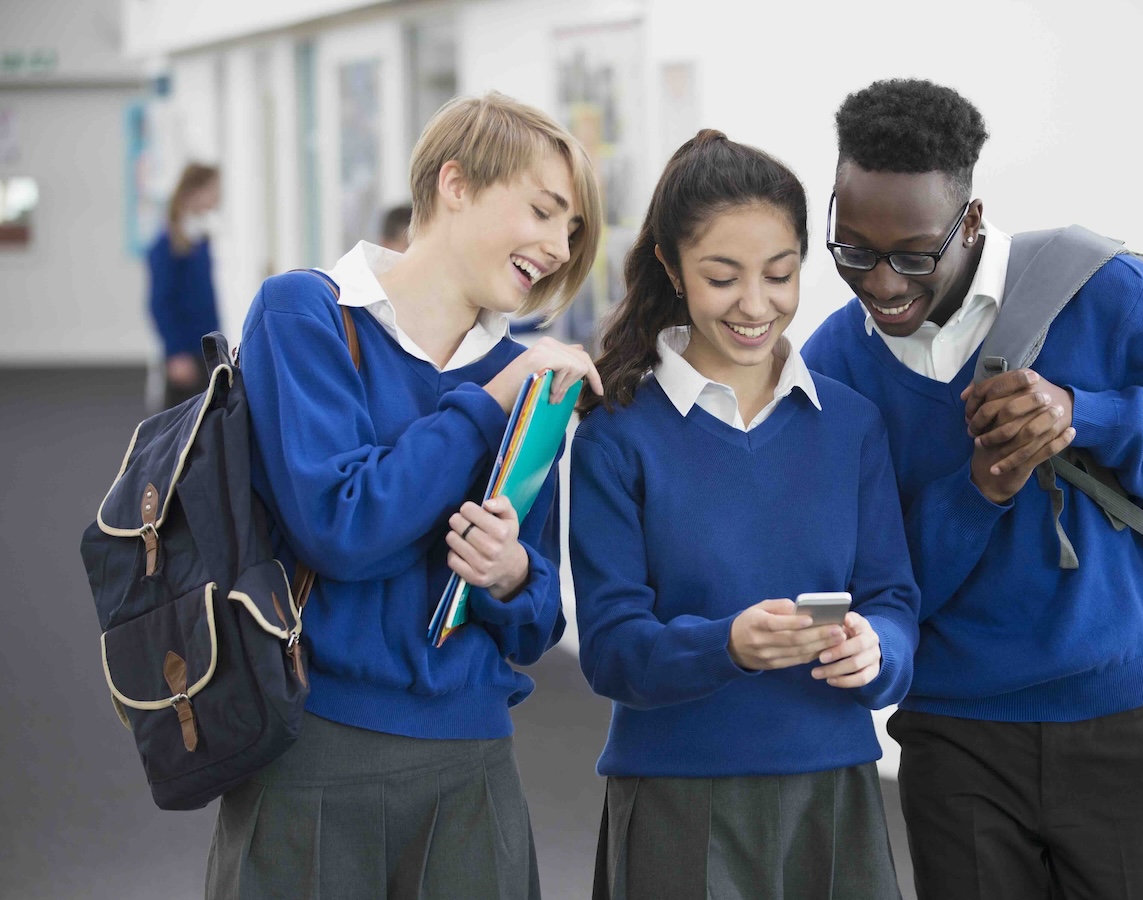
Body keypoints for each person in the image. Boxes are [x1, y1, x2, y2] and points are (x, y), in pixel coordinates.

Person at [802, 79, 1143, 900]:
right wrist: (978, 492)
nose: (882, 284)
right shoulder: (835, 367)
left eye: (914, 254)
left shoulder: (1103, 291)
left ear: (973, 221)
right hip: (954, 735)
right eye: (852, 250)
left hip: (1121, 720)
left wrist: (1086, 416)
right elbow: (867, 586)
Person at [205, 91, 603, 900]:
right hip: (315, 755)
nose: (559, 248)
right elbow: (341, 527)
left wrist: (509, 577)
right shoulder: (305, 313)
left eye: (572, 231)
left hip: (473, 766)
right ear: (454, 184)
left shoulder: (525, 373)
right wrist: (488, 401)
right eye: (543, 211)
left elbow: (538, 624)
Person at [570, 129, 919, 900]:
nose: (756, 306)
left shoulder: (850, 425)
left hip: (833, 790)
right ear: (671, 265)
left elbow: (893, 599)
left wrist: (878, 654)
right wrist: (726, 644)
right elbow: (609, 649)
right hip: (677, 798)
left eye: (781, 274)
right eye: (723, 278)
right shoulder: (617, 434)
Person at [147, 162, 221, 409]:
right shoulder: (167, 244)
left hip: (204, 349)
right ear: (195, 191)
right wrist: (175, 352)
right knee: (180, 428)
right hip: (186, 354)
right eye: (213, 189)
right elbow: (159, 303)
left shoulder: (199, 239)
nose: (218, 196)